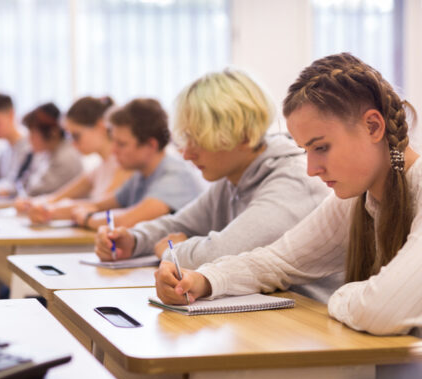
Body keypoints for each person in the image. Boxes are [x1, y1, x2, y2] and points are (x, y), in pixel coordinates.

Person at [155, 53, 422, 337]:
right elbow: (278, 261)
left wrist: (342, 296)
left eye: (321, 147)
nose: (311, 170)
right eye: (306, 151)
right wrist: (203, 280)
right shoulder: (360, 198)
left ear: (373, 126)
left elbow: (379, 311)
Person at [95, 69, 336, 302]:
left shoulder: (293, 180)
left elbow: (221, 254)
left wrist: (169, 251)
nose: (187, 154)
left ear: (242, 135)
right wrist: (134, 240)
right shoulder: (232, 178)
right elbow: (178, 223)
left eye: (199, 140)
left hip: (313, 324)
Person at [69, 98, 203, 230]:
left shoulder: (176, 176)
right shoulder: (140, 175)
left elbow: (127, 220)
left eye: (121, 144)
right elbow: (99, 205)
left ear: (151, 145)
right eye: (114, 142)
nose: (113, 150)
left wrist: (88, 218)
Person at [26, 96, 131, 224]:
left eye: (76, 136)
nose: (73, 144)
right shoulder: (100, 168)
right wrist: (33, 204)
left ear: (100, 127)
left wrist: (47, 210)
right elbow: (57, 197)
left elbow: (100, 206)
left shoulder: (125, 165)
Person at [14, 102, 83, 199]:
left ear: (52, 133)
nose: (29, 139)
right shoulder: (47, 153)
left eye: (33, 134)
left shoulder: (65, 157)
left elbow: (33, 190)